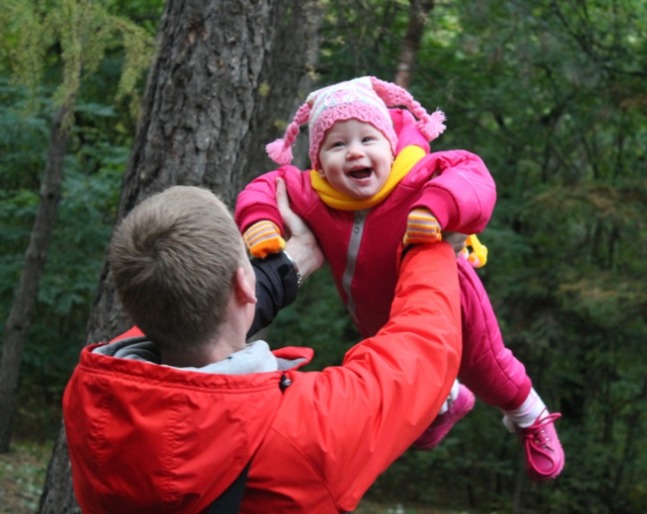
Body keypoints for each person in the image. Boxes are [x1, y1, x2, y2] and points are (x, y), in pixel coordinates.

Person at [234, 76, 564, 481]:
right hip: (377, 316)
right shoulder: (315, 194)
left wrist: (436, 206)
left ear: (390, 145)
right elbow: (265, 187)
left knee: (489, 369)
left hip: (453, 303)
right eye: (337, 144)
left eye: (367, 139)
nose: (354, 151)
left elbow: (472, 175)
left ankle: (532, 417)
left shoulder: (416, 176)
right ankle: (447, 400)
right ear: (319, 160)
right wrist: (260, 223)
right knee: (407, 371)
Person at [62, 181, 464, 513]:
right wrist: (430, 246)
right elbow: (425, 345)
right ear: (243, 285)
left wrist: (288, 266)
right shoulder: (305, 432)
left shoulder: (91, 396)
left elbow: (182, 308)